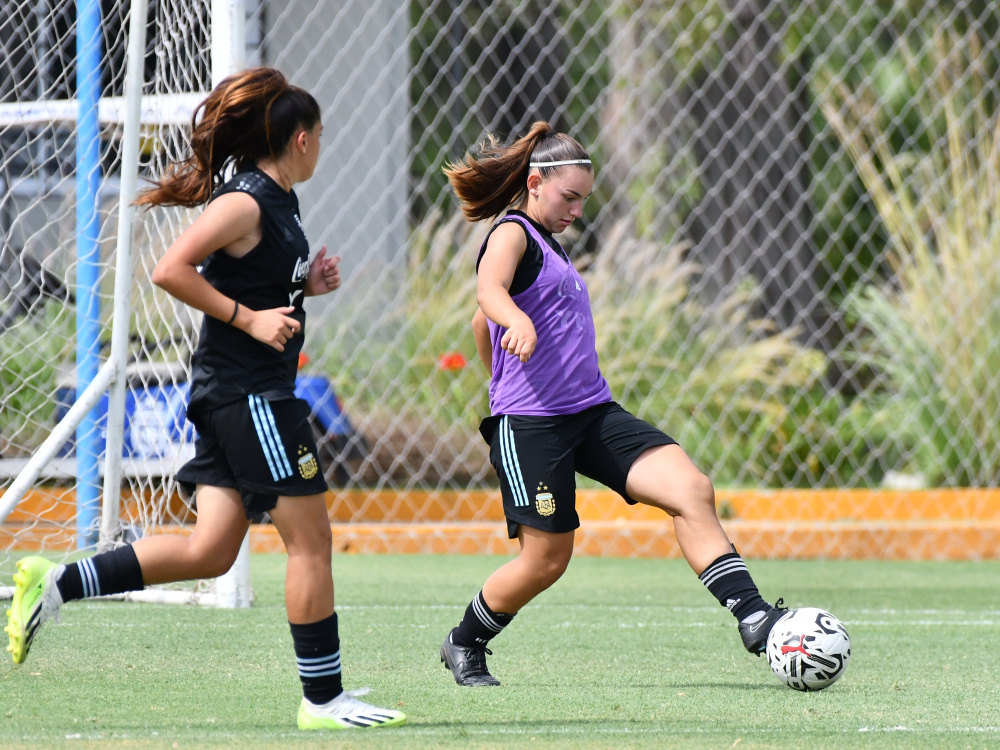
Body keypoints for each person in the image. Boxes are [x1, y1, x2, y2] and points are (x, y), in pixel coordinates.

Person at [4, 67, 405, 731]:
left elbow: (249, 277)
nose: (322, 145)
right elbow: (170, 271)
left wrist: (307, 288)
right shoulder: (245, 201)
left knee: (211, 550)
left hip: (236, 393)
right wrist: (251, 320)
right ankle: (324, 699)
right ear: (301, 139)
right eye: (321, 136)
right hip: (251, 398)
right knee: (311, 541)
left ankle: (54, 583)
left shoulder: (278, 201)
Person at [438, 121, 786, 687]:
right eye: (567, 196)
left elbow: (483, 325)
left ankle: (753, 618)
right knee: (547, 561)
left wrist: (503, 354)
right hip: (532, 426)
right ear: (535, 183)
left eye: (583, 199)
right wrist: (512, 353)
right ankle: (465, 640)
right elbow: (487, 296)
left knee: (691, 489)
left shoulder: (551, 246)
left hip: (593, 413)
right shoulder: (513, 233)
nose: (576, 209)